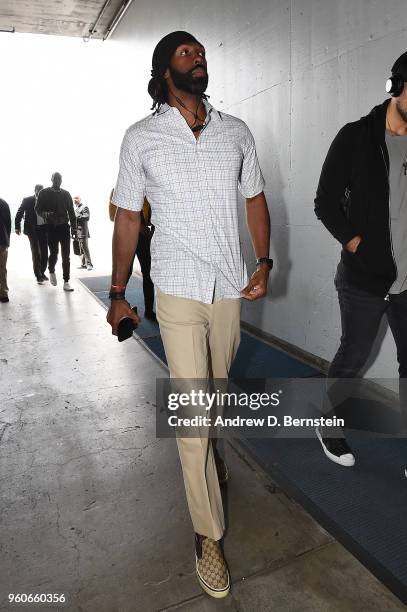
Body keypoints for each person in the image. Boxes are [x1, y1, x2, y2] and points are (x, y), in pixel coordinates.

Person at [107, 31, 272, 598]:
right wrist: (118, 292)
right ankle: (208, 537)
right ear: (164, 69)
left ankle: (212, 457)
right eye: (186, 53)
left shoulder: (236, 133)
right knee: (192, 416)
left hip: (228, 288)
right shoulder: (141, 138)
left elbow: (254, 198)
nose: (198, 57)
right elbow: (128, 218)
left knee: (215, 399)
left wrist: (264, 261)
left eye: (201, 52)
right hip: (175, 289)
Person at [314, 51, 407, 474]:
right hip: (364, 280)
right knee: (353, 358)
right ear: (397, 86)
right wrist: (357, 244)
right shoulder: (356, 137)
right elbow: (325, 203)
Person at [109, 191, 156, 321]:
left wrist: (148, 227)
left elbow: (151, 216)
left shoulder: (147, 193)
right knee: (124, 273)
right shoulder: (117, 191)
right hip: (126, 237)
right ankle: (117, 303)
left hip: (144, 239)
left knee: (148, 274)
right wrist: (137, 225)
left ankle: (148, 310)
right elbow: (114, 216)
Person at [35, 172, 77, 292]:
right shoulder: (44, 193)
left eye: (60, 179)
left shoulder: (66, 194)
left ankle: (66, 281)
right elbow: (37, 209)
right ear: (51, 179)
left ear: (61, 180)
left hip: (64, 227)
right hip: (51, 227)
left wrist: (73, 228)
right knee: (54, 253)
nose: (58, 181)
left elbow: (71, 212)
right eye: (55, 178)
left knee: (66, 256)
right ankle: (51, 269)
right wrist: (45, 214)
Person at [15, 184, 49, 283]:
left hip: (43, 229)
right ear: (35, 190)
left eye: (42, 190)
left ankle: (42, 272)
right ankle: (38, 275)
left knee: (45, 253)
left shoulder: (46, 201)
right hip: (32, 230)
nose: (40, 192)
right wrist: (17, 226)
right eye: (38, 190)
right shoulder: (27, 200)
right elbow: (19, 212)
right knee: (36, 252)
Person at [73, 195, 93, 271]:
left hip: (83, 231)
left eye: (77, 198)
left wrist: (76, 216)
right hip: (77, 232)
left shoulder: (84, 207)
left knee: (85, 247)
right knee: (80, 248)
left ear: (80, 199)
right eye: (74, 199)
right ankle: (84, 264)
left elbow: (86, 217)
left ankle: (89, 264)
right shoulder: (76, 209)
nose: (75, 200)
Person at [0, 198, 11, 303]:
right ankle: (3, 294)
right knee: (2, 268)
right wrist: (7, 240)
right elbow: (8, 224)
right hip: (2, 240)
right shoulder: (4, 203)